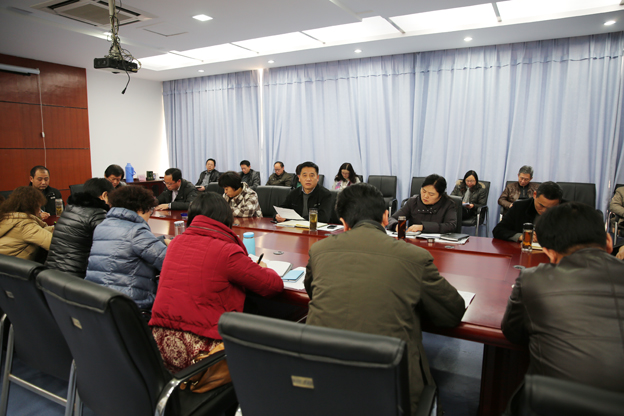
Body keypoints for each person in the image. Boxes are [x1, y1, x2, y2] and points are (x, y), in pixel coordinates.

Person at [305, 183, 465, 413]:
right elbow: (452, 312)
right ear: (385, 216)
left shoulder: (319, 250)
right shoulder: (415, 257)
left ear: (343, 222)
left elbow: (312, 291)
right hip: (393, 394)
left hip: (320, 387)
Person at [501, 202, 624, 414]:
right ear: (608, 241)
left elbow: (513, 333)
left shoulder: (533, 279)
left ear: (549, 252)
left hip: (552, 406)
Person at [149, 192, 283, 372]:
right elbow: (273, 286)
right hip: (202, 356)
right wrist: (264, 267)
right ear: (226, 218)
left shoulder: (176, 242)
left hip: (159, 348)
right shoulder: (226, 251)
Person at [86, 186, 170, 311]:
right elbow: (169, 263)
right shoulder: (136, 231)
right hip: (129, 302)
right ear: (141, 209)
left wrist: (161, 241)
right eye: (150, 211)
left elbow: (124, 246)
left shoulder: (102, 226)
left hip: (96, 297)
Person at [45, 178, 113, 278]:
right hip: (74, 276)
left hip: (51, 272)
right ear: (105, 195)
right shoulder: (97, 213)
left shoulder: (70, 208)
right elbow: (110, 244)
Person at [492, 181, 563, 242]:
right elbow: (498, 230)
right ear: (534, 195)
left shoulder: (567, 210)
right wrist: (522, 236)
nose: (544, 210)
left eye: (550, 208)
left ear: (559, 202)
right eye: (541, 205)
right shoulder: (520, 207)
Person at [387, 174, 457, 233]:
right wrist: (396, 226)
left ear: (440, 195)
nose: (425, 196)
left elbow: (451, 226)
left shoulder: (448, 204)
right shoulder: (413, 201)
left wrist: (423, 227)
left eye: (431, 194)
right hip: (414, 242)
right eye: (424, 191)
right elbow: (392, 219)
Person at [0, 186, 54, 262]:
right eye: (38, 207)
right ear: (31, 207)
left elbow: (39, 230)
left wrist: (57, 229)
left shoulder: (9, 218)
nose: (40, 211)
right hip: (17, 267)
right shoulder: (25, 225)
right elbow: (55, 244)